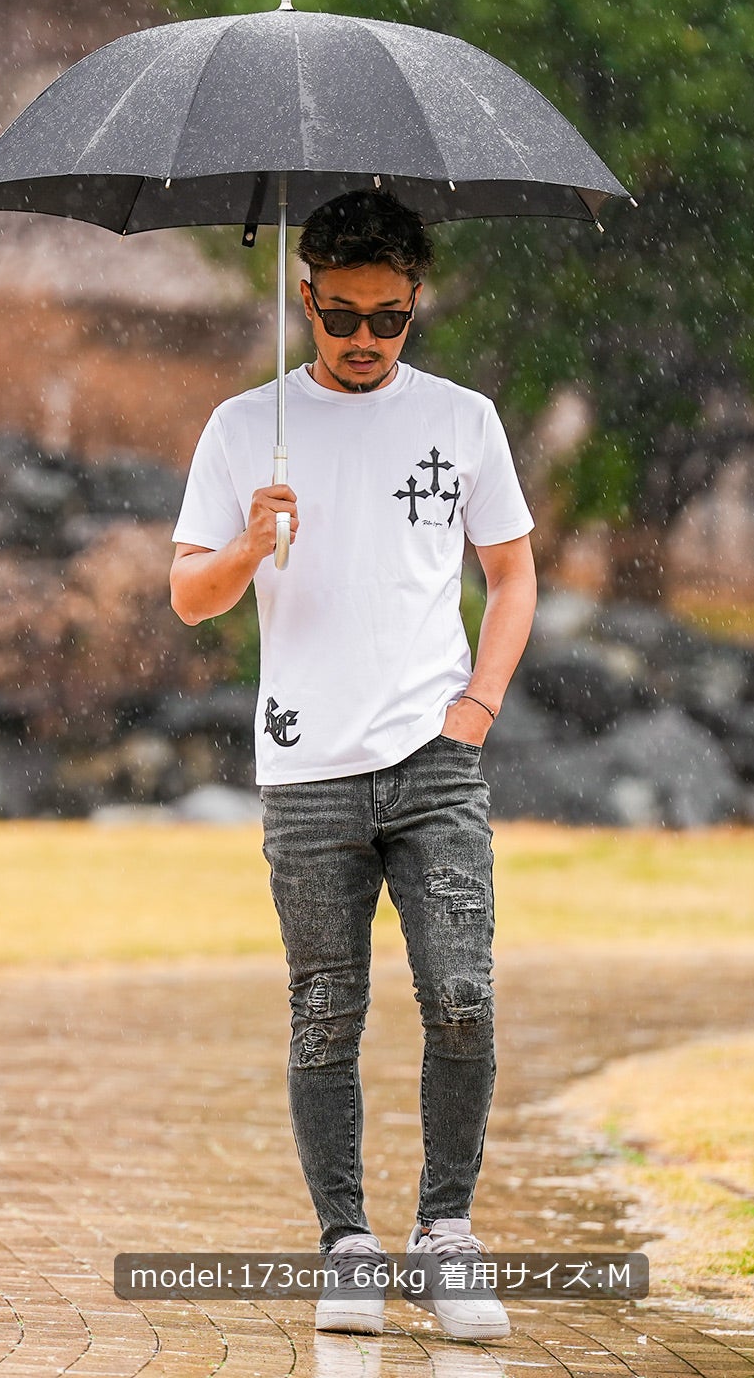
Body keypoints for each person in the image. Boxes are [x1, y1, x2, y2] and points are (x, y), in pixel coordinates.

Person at [169, 190, 536, 1342]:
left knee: (461, 995)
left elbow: (512, 574)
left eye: (389, 317)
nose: (365, 338)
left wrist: (476, 706)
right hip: (306, 768)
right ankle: (347, 1244)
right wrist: (247, 542)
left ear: (417, 302)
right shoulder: (244, 428)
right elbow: (189, 597)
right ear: (305, 294)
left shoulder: (465, 419)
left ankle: (447, 1233)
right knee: (325, 1012)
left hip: (435, 761)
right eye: (341, 315)